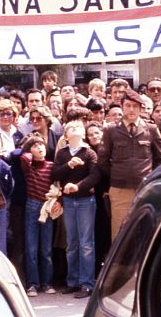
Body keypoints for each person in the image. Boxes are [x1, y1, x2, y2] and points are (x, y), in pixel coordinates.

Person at [98, 89, 161, 236]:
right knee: (120, 232)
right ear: (122, 107)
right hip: (120, 190)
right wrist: (117, 176)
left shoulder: (151, 129)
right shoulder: (111, 130)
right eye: (128, 105)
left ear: (141, 108)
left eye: (135, 106)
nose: (131, 109)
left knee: (145, 231)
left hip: (145, 189)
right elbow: (102, 161)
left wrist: (149, 179)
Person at [52, 121, 101, 299]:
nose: (75, 129)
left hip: (85, 201)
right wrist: (69, 166)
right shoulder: (62, 153)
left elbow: (95, 175)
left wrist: (77, 186)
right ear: (65, 136)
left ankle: (86, 284)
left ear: (83, 133)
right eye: (70, 128)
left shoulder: (89, 152)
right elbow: (54, 174)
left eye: (78, 127)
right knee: (71, 243)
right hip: (68, 201)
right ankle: (72, 281)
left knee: (86, 244)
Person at [20, 135, 56, 297]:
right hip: (32, 205)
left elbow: (57, 185)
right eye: (35, 146)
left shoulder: (51, 166)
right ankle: (32, 284)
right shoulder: (28, 166)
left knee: (46, 249)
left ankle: (47, 282)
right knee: (31, 247)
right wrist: (28, 150)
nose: (40, 148)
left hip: (47, 207)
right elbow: (19, 155)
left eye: (42, 144)